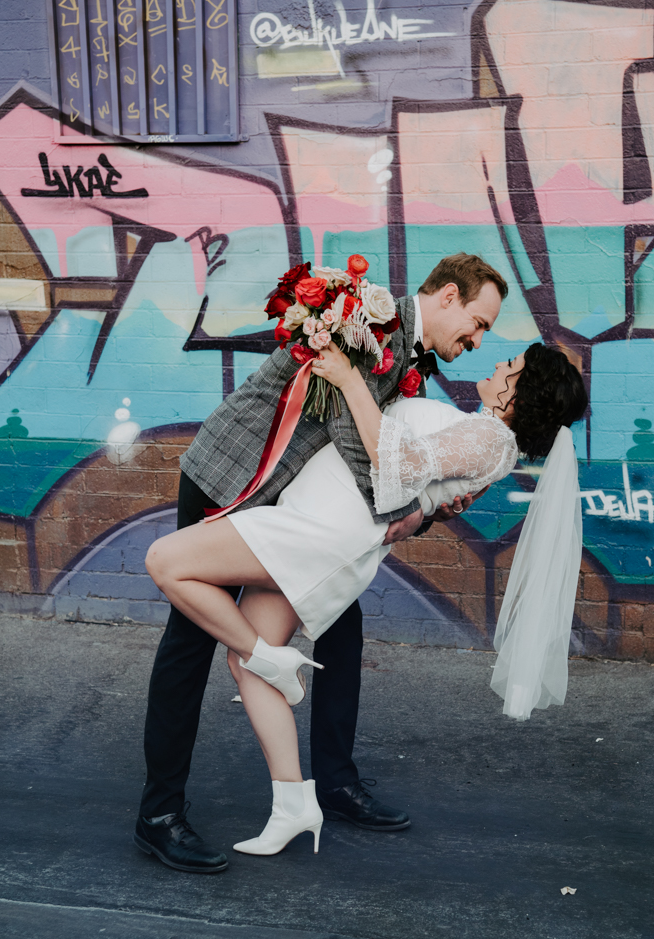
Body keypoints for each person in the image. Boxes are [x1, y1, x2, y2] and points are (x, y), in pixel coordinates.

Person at [135, 253, 508, 873]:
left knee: (340, 621)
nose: (478, 339)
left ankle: (332, 783)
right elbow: (350, 433)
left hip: (289, 498)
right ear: (447, 296)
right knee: (190, 641)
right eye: (478, 322)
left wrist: (428, 502)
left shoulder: (411, 354)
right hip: (233, 476)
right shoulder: (367, 322)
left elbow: (389, 448)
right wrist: (402, 508)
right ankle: (158, 814)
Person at [145, 340, 588, 858]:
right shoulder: (484, 435)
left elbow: (396, 463)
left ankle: (271, 658)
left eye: (511, 365)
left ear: (520, 396)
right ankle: (293, 804)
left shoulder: (491, 439)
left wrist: (349, 378)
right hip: (325, 521)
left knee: (165, 560)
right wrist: (429, 504)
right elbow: (421, 484)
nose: (497, 362)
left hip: (322, 529)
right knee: (248, 670)